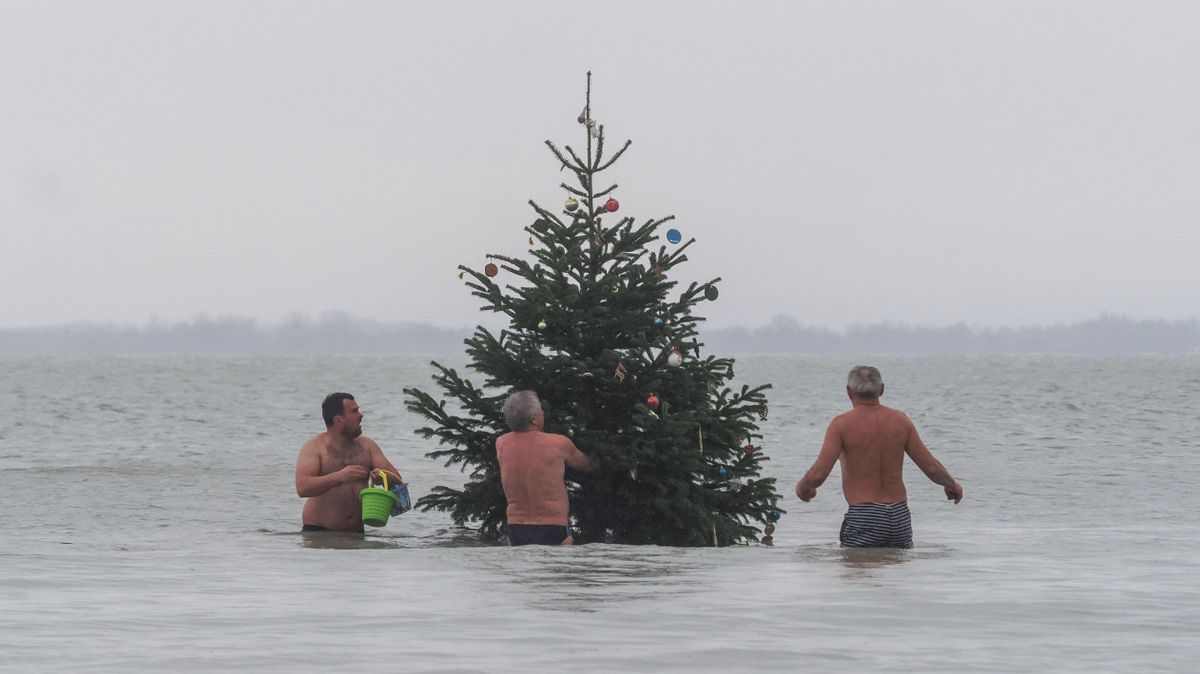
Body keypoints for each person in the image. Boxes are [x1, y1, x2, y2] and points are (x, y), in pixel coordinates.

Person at [795, 366, 964, 548]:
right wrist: (951, 485)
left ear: (849, 392)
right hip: (899, 516)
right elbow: (931, 467)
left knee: (858, 573)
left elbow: (818, 474)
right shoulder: (900, 421)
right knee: (895, 571)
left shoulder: (841, 425)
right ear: (882, 390)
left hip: (864, 514)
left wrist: (803, 488)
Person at [496, 390, 596, 546]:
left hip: (517, 526)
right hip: (553, 526)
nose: (543, 412)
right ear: (534, 418)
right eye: (541, 409)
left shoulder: (501, 443)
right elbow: (587, 465)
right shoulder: (558, 443)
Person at [295, 392, 403, 533]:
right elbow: (302, 488)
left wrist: (383, 477)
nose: (361, 415)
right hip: (319, 533)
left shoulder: (367, 445)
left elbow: (397, 479)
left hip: (356, 533)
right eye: (354, 411)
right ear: (338, 420)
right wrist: (339, 476)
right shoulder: (315, 447)